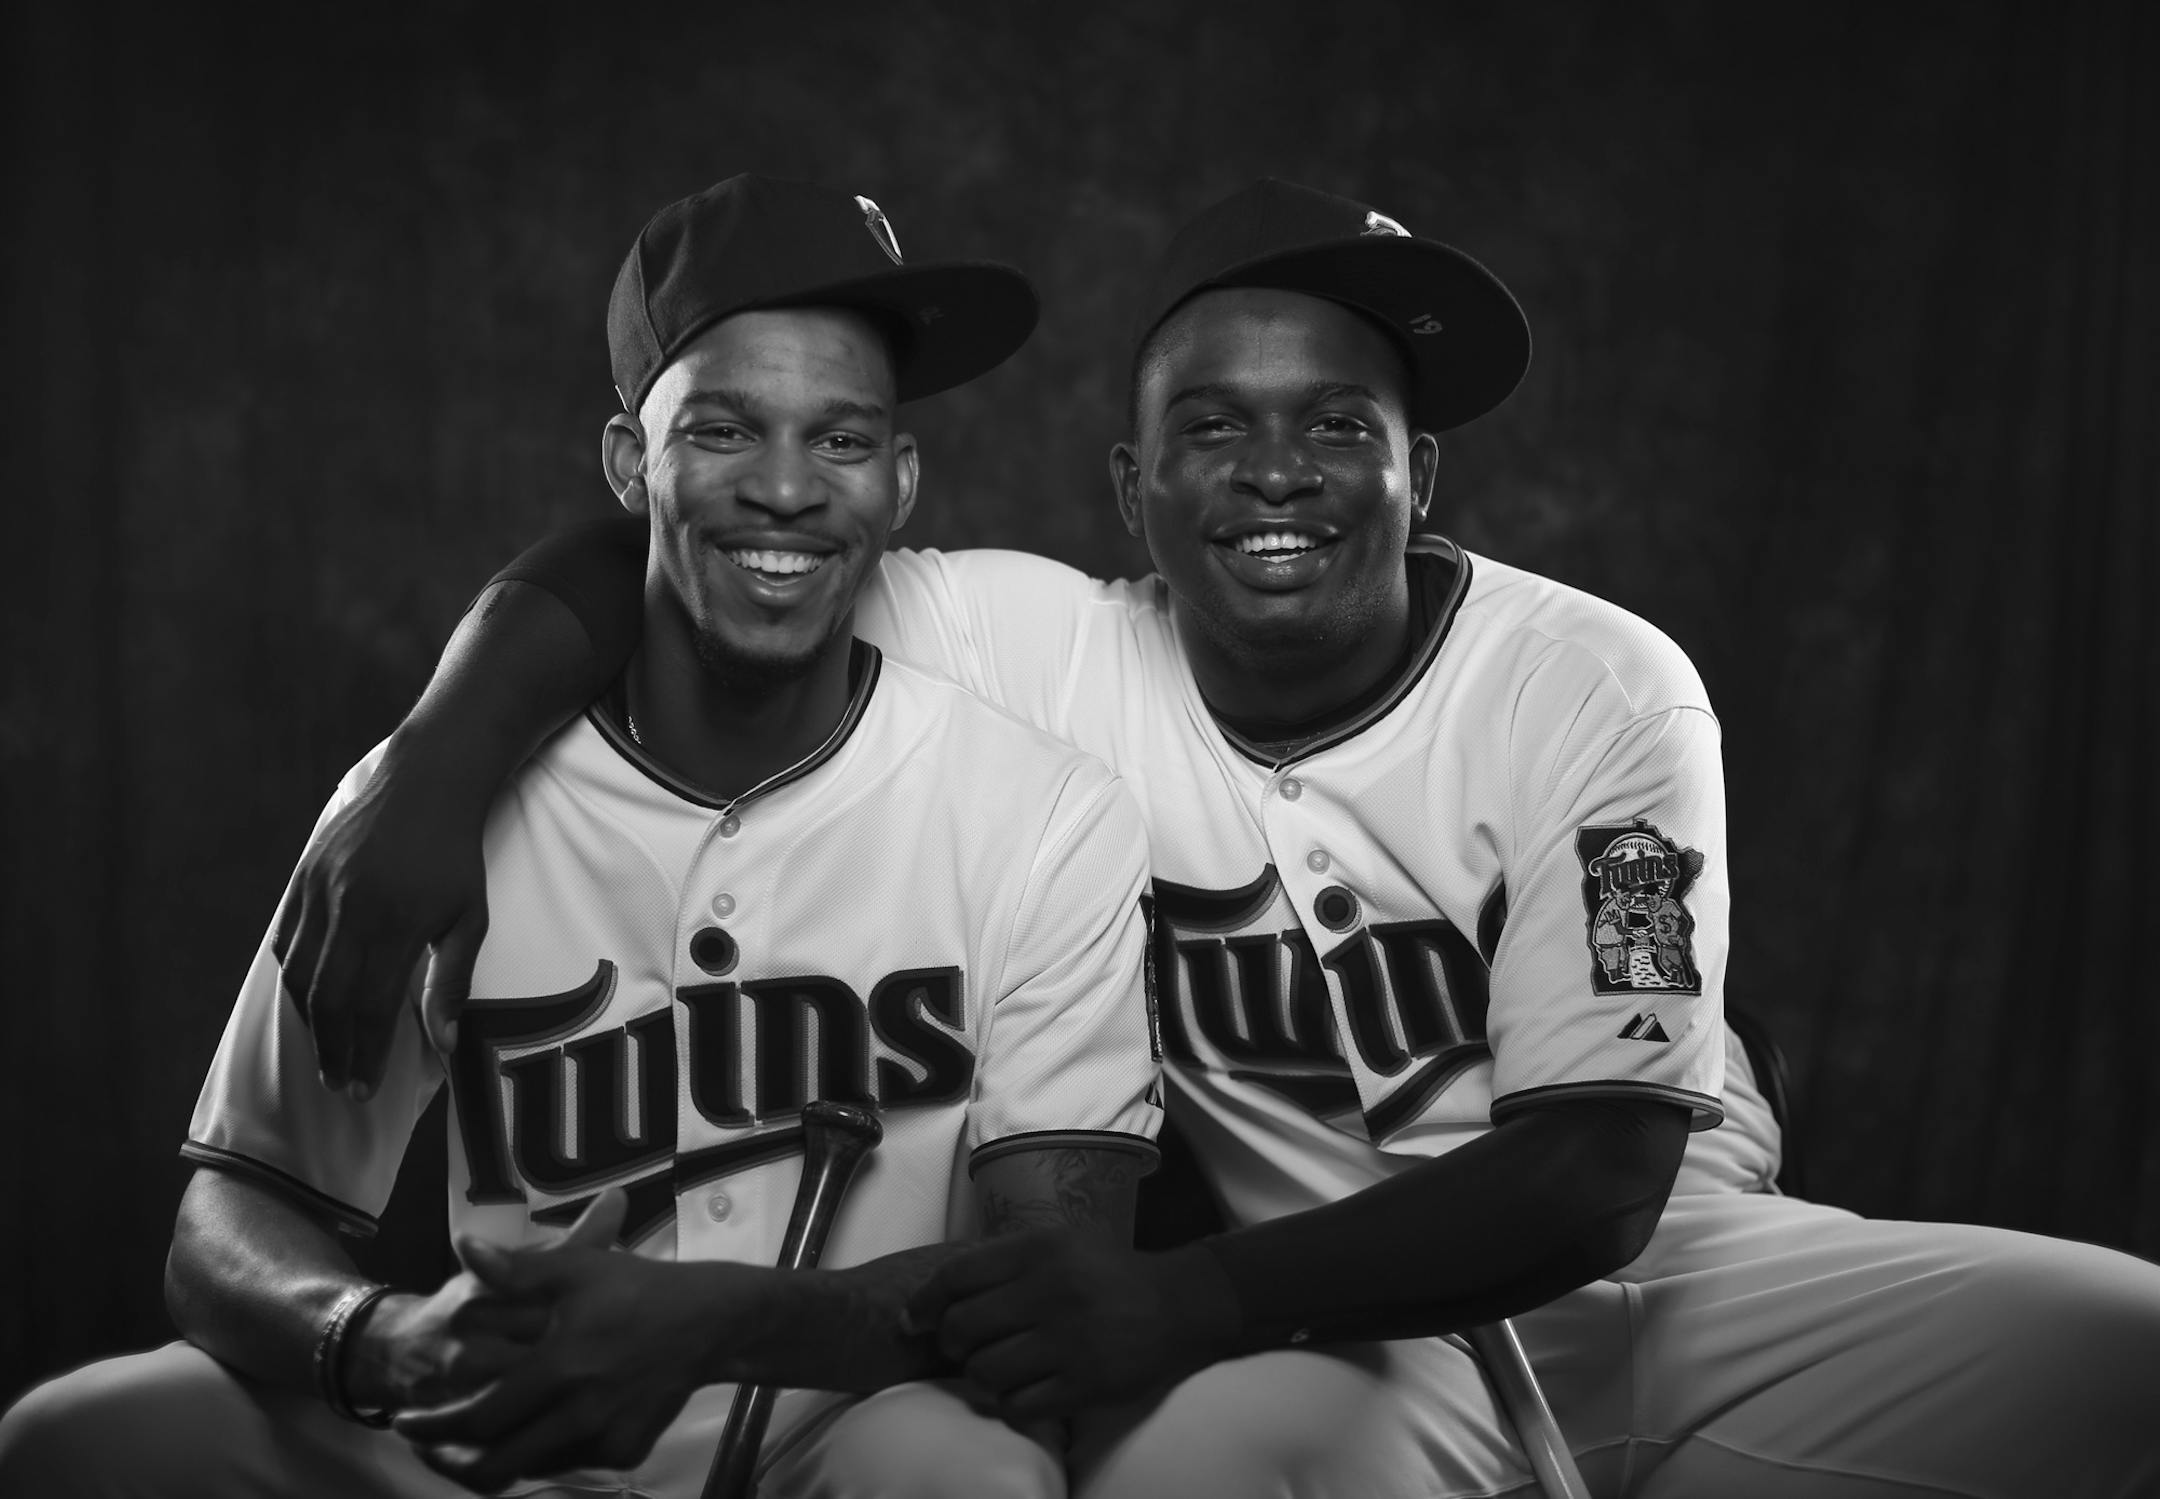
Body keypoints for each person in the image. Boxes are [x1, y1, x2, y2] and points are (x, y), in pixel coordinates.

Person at [121, 180, 2160, 1497]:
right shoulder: (1042, 645)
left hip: (1679, 1260)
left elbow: (1602, 1176)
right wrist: (439, 761)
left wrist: (1174, 1307)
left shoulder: (1600, 686)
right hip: (1335, 1324)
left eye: (1338, 424)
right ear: (1128, 487)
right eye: (1212, 425)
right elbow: (701, 540)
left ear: (1424, 475)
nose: (1276, 470)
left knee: (2126, 1358)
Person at [0, 173, 1167, 1499]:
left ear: (899, 482)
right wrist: (381, 1343)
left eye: (841, 441)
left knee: (966, 1475)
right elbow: (231, 1218)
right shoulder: (431, 812)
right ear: (629, 464)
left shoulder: (1040, 808)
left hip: (843, 1442)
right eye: (724, 430)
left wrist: (716, 1327)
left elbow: (1058, 1278)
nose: (787, 487)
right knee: (81, 1436)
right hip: (508, 1449)